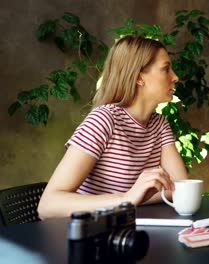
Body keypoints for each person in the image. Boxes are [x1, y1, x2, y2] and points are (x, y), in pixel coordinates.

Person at [38, 35, 188, 219]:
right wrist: (127, 199)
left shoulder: (159, 124)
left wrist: (134, 199)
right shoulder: (103, 120)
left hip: (126, 231)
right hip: (91, 236)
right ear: (140, 77)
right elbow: (47, 206)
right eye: (166, 69)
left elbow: (182, 188)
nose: (175, 77)